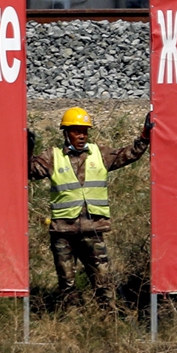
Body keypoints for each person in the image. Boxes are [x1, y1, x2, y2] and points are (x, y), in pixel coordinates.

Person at [27, 107, 152, 306]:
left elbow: (129, 154)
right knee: (66, 282)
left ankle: (109, 319)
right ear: (66, 132)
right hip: (63, 232)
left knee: (103, 280)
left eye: (84, 131)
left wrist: (145, 136)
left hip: (92, 231)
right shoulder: (53, 156)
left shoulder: (99, 154)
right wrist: (28, 149)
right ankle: (72, 320)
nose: (81, 136)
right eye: (76, 131)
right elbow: (30, 171)